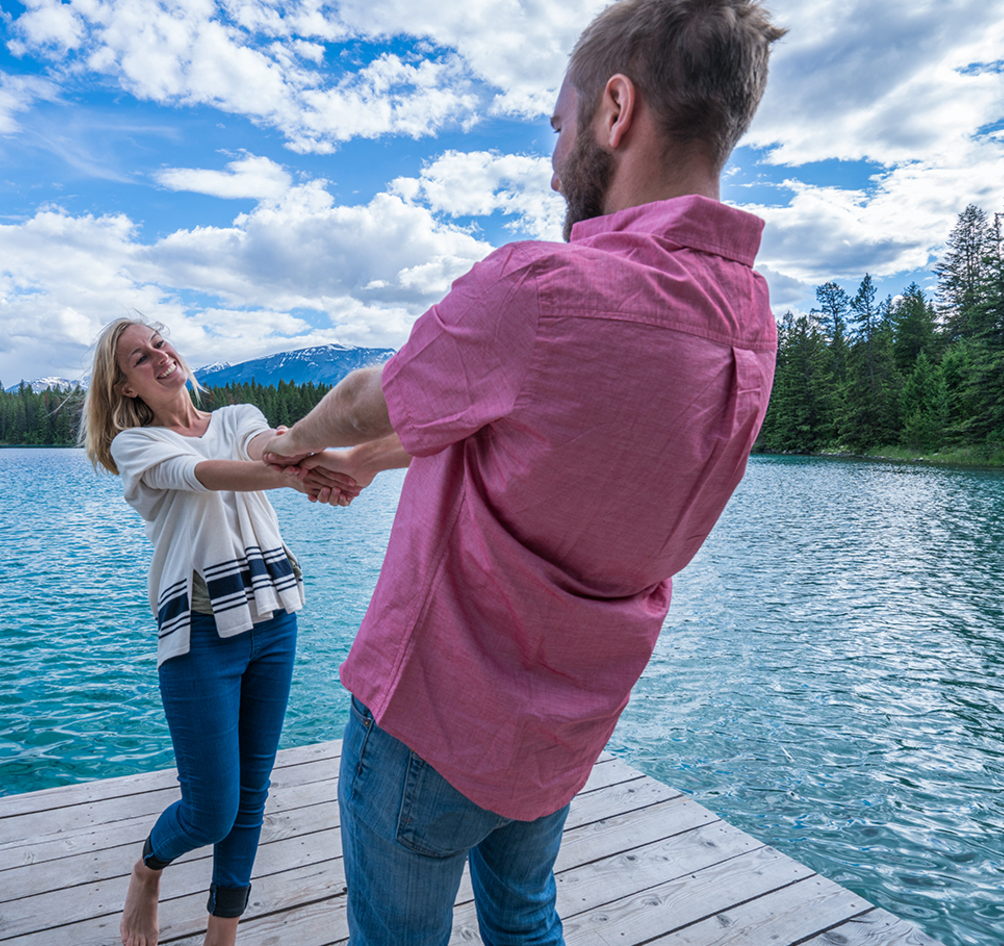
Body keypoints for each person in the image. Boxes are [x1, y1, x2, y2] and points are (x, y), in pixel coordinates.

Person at [264, 1, 788, 943]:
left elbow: (357, 395)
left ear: (614, 110)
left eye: (558, 123)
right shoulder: (750, 325)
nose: (554, 157)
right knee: (525, 920)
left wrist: (284, 444)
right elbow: (531, 438)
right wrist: (371, 466)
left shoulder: (542, 292)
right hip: (563, 731)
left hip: (432, 721)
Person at [82, 318, 355, 946]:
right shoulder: (138, 446)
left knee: (252, 794)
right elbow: (206, 474)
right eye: (138, 357)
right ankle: (148, 870)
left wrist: (294, 453)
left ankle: (220, 935)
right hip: (200, 636)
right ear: (124, 386)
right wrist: (294, 474)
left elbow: (258, 446)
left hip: (275, 621)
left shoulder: (236, 415)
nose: (158, 356)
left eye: (159, 343)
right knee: (211, 809)